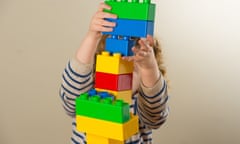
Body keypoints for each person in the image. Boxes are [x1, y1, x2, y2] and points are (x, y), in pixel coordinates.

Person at [59, 2, 169, 144]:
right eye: (111, 65)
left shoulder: (142, 104)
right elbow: (70, 100)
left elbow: (156, 117)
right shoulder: (89, 94)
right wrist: (92, 37)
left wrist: (149, 68)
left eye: (132, 69)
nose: (120, 73)